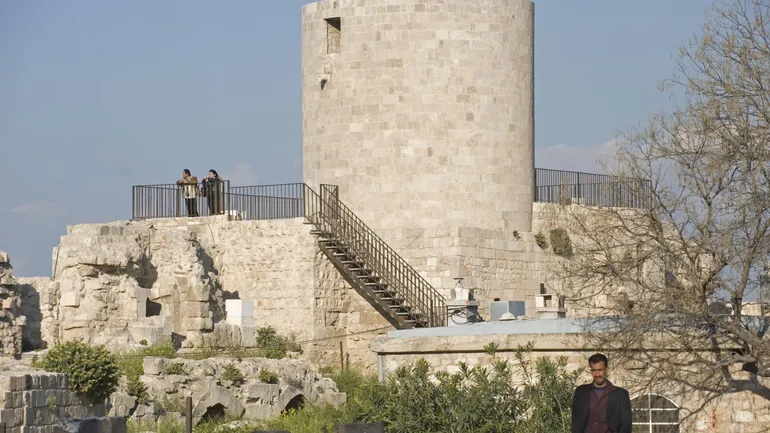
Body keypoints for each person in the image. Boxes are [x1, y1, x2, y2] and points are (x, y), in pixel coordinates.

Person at [571, 353, 632, 433]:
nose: (597, 374)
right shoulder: (581, 392)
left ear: (606, 369)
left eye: (600, 370)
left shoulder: (621, 395)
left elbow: (626, 426)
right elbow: (575, 423)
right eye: (594, 370)